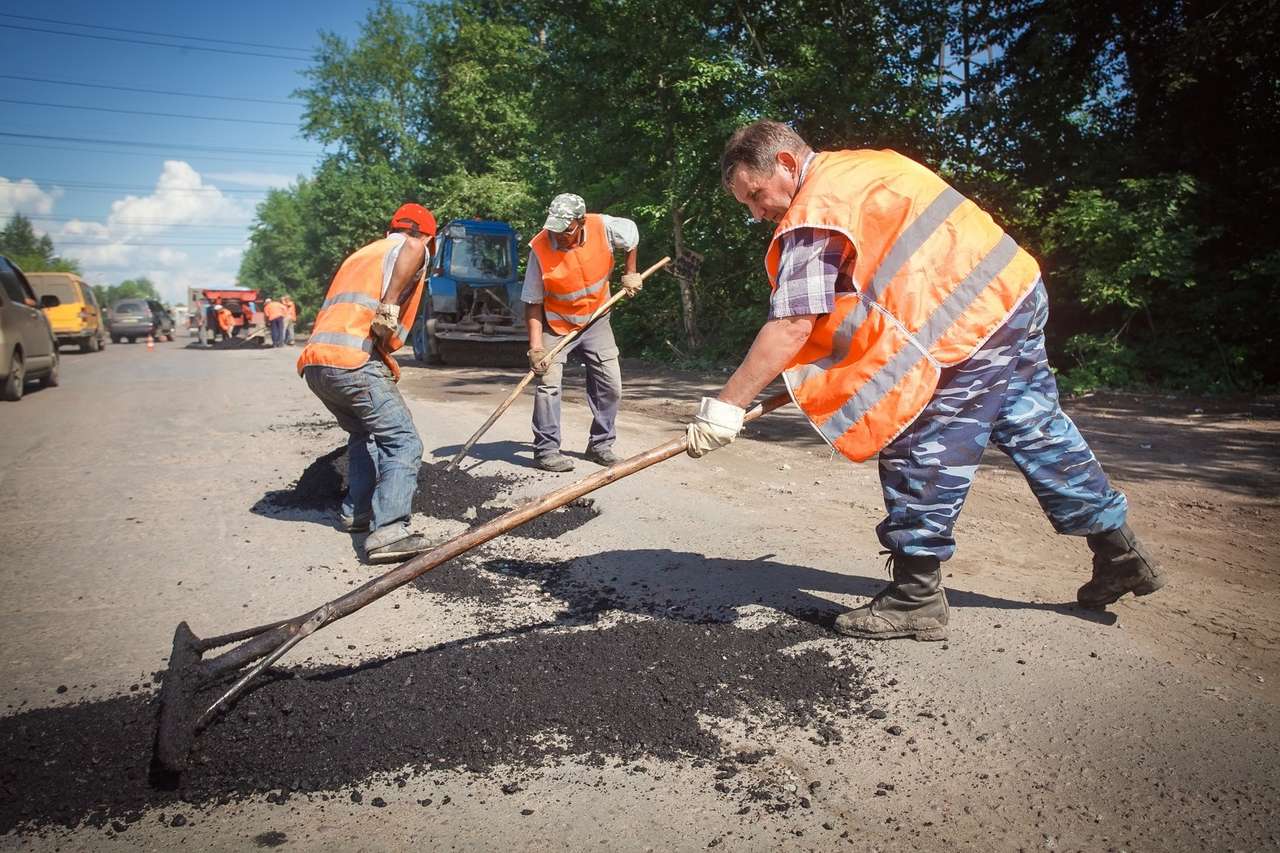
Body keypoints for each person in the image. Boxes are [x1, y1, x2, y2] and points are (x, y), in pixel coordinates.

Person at [686, 120, 1165, 641]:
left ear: (784, 163)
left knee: (917, 438)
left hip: (959, 325)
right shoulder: (870, 165)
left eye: (756, 196)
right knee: (1035, 426)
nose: (758, 213)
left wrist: (726, 408)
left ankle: (915, 598)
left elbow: (793, 324)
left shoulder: (815, 210)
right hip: (1011, 292)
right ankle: (1120, 553)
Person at [296, 203, 437, 564]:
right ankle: (389, 532)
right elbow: (413, 247)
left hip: (317, 363)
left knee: (364, 434)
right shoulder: (410, 246)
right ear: (426, 235)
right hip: (351, 361)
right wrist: (389, 305)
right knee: (402, 440)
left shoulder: (361, 255)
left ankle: (356, 513)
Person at [523, 192, 642, 472]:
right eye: (554, 229)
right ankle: (546, 451)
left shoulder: (603, 226)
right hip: (557, 323)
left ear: (581, 221)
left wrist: (630, 271)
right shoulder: (540, 248)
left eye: (566, 230)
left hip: (597, 318)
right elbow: (532, 302)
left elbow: (632, 235)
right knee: (547, 383)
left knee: (611, 385)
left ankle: (600, 444)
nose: (558, 236)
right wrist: (536, 348)